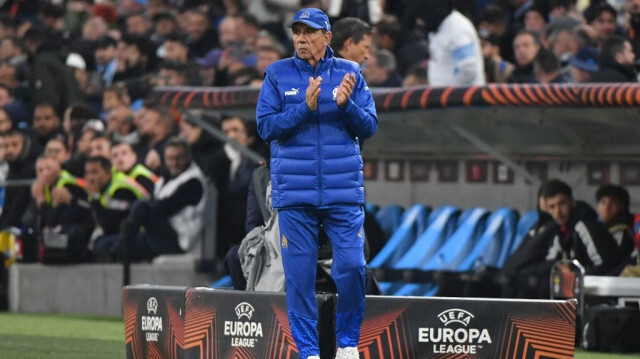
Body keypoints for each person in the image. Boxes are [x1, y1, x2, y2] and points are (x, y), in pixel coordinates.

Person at [256, 8, 377, 359]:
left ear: (328, 38)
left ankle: (347, 345)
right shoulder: (277, 74)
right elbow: (265, 127)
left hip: (342, 192)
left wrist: (346, 105)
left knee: (353, 267)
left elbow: (369, 126)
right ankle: (308, 352)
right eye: (297, 32)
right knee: (298, 277)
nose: (302, 39)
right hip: (295, 193)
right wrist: (304, 109)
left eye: (310, 33)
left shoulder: (351, 73)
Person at [119, 137, 207, 261]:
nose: (174, 163)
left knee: (142, 207)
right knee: (108, 243)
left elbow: (165, 208)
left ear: (188, 156)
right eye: (170, 158)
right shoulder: (165, 179)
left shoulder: (193, 181)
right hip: (159, 235)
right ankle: (121, 244)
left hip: (179, 242)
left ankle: (125, 242)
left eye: (179, 158)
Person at [86, 156, 148, 261]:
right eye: (87, 173)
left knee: (103, 244)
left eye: (95, 172)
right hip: (122, 234)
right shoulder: (102, 189)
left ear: (108, 172)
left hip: (140, 234)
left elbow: (110, 226)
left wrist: (95, 199)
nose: (90, 178)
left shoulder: (121, 188)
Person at [595, 184, 634, 256]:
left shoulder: (621, 231)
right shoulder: (595, 226)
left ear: (622, 208)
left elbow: (613, 259)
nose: (606, 207)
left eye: (613, 204)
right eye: (603, 202)